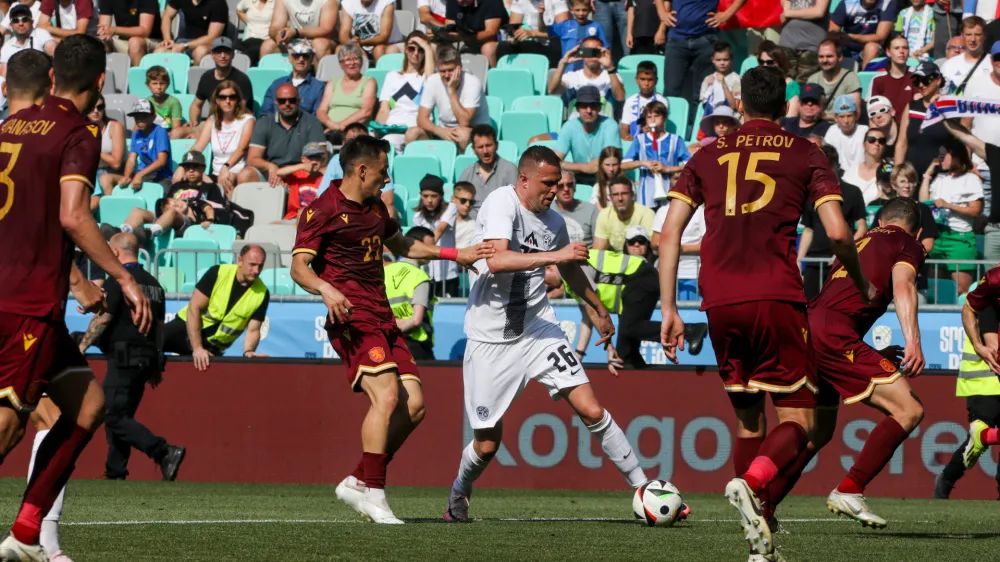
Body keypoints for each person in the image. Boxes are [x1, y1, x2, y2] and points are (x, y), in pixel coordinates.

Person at [658, 65, 870, 560]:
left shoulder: (706, 155)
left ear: (742, 105)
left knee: (749, 421)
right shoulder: (807, 152)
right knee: (801, 419)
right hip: (775, 295)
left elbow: (669, 234)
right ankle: (753, 487)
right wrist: (860, 281)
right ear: (785, 106)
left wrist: (671, 306)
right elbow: (838, 233)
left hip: (717, 300)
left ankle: (760, 533)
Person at [0, 38, 152, 561]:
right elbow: (72, 216)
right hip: (24, 302)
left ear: (50, 79)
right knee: (10, 423)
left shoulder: (11, 126)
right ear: (96, 81)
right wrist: (123, 277)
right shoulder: (76, 133)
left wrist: (71, 278)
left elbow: (31, 221)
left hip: (22, 289)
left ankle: (26, 532)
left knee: (88, 406)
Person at [442, 145, 651, 522]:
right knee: (487, 444)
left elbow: (570, 272)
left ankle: (644, 488)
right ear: (524, 180)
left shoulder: (554, 222)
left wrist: (599, 310)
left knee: (591, 409)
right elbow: (498, 260)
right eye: (548, 183)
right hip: (491, 339)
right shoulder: (499, 204)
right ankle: (460, 487)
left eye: (558, 184)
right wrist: (557, 257)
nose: (554, 190)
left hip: (538, 328)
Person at [290, 135, 492, 524]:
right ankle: (375, 493)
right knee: (385, 398)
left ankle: (359, 480)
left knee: (414, 407)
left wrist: (455, 254)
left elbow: (401, 244)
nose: (387, 178)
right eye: (383, 172)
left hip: (382, 316)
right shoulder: (323, 209)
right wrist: (326, 288)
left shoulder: (376, 209)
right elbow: (299, 267)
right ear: (362, 169)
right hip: (351, 317)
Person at [778, 198, 926, 529]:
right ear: (917, 231)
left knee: (818, 431)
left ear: (879, 220)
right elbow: (903, 286)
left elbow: (843, 302)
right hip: (832, 335)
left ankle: (764, 500)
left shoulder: (859, 243)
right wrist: (914, 340)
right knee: (909, 410)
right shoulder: (906, 243)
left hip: (809, 328)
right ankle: (851, 488)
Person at [75, 233, 185, 484]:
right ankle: (115, 472)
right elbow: (159, 328)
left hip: (124, 357)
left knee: (112, 416)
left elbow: (103, 318)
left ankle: (164, 452)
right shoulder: (155, 284)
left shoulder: (119, 281)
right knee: (122, 416)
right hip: (145, 359)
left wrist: (81, 347)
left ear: (114, 252)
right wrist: (157, 364)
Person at [162, 245, 271, 369]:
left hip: (213, 346)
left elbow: (253, 329)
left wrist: (248, 351)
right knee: (149, 343)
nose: (256, 271)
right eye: (252, 264)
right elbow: (194, 308)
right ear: (240, 261)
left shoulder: (262, 293)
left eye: (260, 266)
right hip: (185, 328)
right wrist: (197, 347)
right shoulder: (218, 272)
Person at [935, 305, 1000, 500]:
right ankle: (947, 479)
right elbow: (993, 345)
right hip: (985, 380)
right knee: (978, 440)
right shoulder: (989, 294)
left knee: (981, 438)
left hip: (988, 378)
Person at [798, 143, 868, 300]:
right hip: (813, 262)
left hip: (841, 263)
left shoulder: (852, 192)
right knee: (809, 308)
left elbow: (861, 228)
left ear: (836, 165)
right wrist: (799, 260)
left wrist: (843, 252)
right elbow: (808, 229)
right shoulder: (809, 193)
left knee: (839, 307)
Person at [657, 0, 745, 120]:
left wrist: (727, 14)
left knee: (702, 95)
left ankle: (697, 133)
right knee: (671, 92)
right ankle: (669, 132)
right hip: (676, 40)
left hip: (705, 40)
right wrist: (662, 12)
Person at [920, 141, 984, 296]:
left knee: (961, 289)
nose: (940, 159)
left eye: (944, 156)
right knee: (935, 288)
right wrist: (928, 174)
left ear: (955, 156)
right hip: (937, 236)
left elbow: (976, 210)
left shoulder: (971, 179)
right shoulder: (940, 178)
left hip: (959, 237)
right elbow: (923, 202)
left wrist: (949, 205)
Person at [119, 151, 226, 240]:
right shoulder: (177, 186)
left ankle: (148, 234)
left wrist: (208, 219)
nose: (191, 170)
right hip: (169, 217)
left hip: (191, 221)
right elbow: (166, 203)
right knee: (137, 211)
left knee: (172, 212)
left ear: (203, 168)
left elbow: (218, 210)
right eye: (187, 167)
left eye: (195, 167)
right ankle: (121, 232)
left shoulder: (211, 188)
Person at [177, 81, 255, 197]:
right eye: (223, 97)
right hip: (216, 173)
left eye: (232, 97)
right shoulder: (212, 120)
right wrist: (183, 166)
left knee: (226, 180)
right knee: (183, 178)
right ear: (217, 101)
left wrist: (226, 167)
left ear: (238, 100)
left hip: (236, 170)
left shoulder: (247, 120)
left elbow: (241, 148)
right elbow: (198, 147)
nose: (227, 101)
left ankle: (231, 211)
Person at [241, 83, 327, 185]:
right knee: (245, 174)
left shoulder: (312, 122)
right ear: (276, 102)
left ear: (298, 101)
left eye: (292, 100)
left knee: (325, 172)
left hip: (302, 173)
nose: (287, 104)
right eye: (282, 101)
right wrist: (270, 166)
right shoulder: (264, 123)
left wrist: (292, 172)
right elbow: (252, 159)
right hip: (271, 174)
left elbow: (321, 158)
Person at [944, 118, 1000, 262]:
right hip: (995, 231)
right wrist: (942, 114)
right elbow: (965, 136)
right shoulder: (996, 154)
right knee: (992, 283)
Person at [416, 45, 489, 152]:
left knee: (462, 134)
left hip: (475, 130)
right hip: (444, 130)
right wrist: (440, 131)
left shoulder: (473, 83)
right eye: (442, 71)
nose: (446, 75)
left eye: (450, 70)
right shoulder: (433, 81)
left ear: (460, 67)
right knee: (412, 133)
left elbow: (464, 122)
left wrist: (452, 91)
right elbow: (421, 119)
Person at [374, 31, 435, 152]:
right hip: (393, 127)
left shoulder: (426, 78)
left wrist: (427, 47)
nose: (416, 53)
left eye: (420, 50)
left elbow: (430, 77)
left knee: (405, 136)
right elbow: (384, 109)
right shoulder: (392, 76)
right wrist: (378, 128)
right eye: (412, 48)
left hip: (416, 129)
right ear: (406, 50)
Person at [622, 100, 690, 208]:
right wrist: (644, 163)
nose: (653, 119)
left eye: (656, 116)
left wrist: (667, 169)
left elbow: (691, 165)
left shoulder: (676, 140)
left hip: (670, 196)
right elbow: (623, 165)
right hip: (645, 198)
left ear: (664, 117)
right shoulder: (640, 140)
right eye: (649, 117)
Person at [385, 226, 438, 360]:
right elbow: (416, 320)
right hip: (415, 345)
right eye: (430, 246)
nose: (434, 251)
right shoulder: (420, 276)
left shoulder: (384, 272)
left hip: (387, 343)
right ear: (416, 245)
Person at [961, 40, 1000, 218]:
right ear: (991, 60)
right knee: (982, 221)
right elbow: (965, 126)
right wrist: (968, 163)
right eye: (998, 58)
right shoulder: (976, 84)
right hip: (982, 167)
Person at [552, 85, 620, 186]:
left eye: (593, 106)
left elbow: (608, 161)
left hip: (606, 178)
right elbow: (553, 161)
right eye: (584, 106)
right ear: (577, 108)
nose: (588, 110)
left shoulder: (610, 125)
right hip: (577, 179)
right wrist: (585, 167)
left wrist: (565, 165)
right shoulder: (569, 126)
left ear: (599, 108)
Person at [896, 61, 954, 174]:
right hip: (911, 179)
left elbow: (960, 143)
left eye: (925, 80)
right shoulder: (912, 106)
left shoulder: (950, 108)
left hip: (940, 176)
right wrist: (898, 173)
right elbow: (901, 143)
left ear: (938, 80)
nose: (921, 85)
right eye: (917, 81)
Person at [108, 99, 173, 191]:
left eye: (144, 117)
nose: (139, 121)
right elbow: (131, 159)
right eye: (137, 117)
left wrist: (139, 174)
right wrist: (127, 176)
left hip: (162, 177)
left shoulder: (160, 132)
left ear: (153, 117)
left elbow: (161, 161)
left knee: (159, 195)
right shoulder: (136, 134)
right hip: (143, 176)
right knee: (125, 190)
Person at [190, 38, 254, 131]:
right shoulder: (206, 77)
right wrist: (194, 123)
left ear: (232, 55)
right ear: (212, 55)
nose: (222, 56)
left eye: (226, 52)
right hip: (211, 124)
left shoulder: (242, 79)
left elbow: (239, 111)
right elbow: (196, 105)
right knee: (177, 133)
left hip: (234, 125)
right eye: (218, 52)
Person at [317, 43, 377, 142]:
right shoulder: (333, 82)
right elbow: (321, 110)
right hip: (331, 129)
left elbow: (366, 111)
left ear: (361, 62)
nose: (352, 63)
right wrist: (329, 124)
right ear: (341, 64)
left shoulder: (369, 82)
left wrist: (340, 126)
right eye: (347, 60)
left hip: (356, 129)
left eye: (355, 59)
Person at [412, 175, 460, 297]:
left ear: (441, 196)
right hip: (426, 274)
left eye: (434, 196)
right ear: (420, 195)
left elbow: (439, 230)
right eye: (425, 196)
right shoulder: (418, 217)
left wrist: (424, 248)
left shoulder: (451, 208)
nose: (429, 200)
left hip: (448, 274)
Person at [458, 124, 518, 216]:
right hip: (470, 226)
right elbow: (458, 203)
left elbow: (515, 204)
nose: (485, 151)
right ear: (473, 149)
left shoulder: (510, 170)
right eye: (480, 147)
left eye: (488, 145)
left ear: (496, 145)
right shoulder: (467, 173)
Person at [651, 198, 703, 301]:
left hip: (692, 274)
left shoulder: (700, 212)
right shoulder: (662, 211)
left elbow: (707, 245)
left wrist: (681, 248)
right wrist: (661, 245)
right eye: (675, 180)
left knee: (689, 315)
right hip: (666, 275)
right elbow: (654, 243)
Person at [547, 37, 625, 105]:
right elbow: (552, 91)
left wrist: (610, 67)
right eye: (588, 52)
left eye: (595, 52)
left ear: (602, 53)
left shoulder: (612, 76)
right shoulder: (572, 77)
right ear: (582, 53)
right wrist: (562, 64)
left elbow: (620, 97)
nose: (592, 56)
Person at [260, 40, 327, 117]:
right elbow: (265, 114)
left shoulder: (318, 87)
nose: (301, 59)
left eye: (305, 55)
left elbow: (316, 118)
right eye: (296, 55)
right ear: (290, 58)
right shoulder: (277, 84)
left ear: (311, 59)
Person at [495, 0, 569, 67]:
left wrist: (533, 33)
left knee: (556, 45)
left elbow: (563, 31)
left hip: (555, 43)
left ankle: (553, 76)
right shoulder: (519, 1)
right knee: (504, 47)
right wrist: (514, 37)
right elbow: (513, 29)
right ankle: (507, 76)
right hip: (537, 43)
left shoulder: (558, 1)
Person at [155, 0, 228, 65]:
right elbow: (167, 16)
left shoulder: (218, 3)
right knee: (160, 51)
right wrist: (167, 39)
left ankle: (194, 78)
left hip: (210, 44)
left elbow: (212, 37)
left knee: (200, 51)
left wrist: (185, 46)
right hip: (185, 41)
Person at [593, 176, 655, 251]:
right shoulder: (604, 215)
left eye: (624, 193)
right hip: (615, 260)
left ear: (632, 195)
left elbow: (652, 249)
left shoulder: (647, 214)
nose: (620, 198)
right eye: (615, 194)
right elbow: (598, 251)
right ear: (610, 198)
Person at [828, 0, 895, 69]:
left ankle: (864, 77)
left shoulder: (887, 3)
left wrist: (850, 37)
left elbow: (880, 36)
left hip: (874, 50)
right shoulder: (848, 3)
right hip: (847, 49)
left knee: (872, 47)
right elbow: (832, 32)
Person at [547, 0, 609, 73]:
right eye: (577, 10)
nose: (581, 13)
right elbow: (544, 30)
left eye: (584, 10)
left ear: (589, 10)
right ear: (572, 10)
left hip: (590, 71)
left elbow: (605, 49)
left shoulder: (596, 26)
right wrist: (540, 14)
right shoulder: (565, 26)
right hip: (568, 71)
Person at [777, 0, 829, 85]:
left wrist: (789, 13)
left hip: (811, 45)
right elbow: (785, 2)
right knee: (784, 84)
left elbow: (818, 11)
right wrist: (786, 7)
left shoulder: (789, 13)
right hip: (787, 42)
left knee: (806, 86)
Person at [97, 0, 162, 67]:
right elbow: (103, 28)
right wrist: (104, 36)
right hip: (123, 40)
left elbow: (145, 31)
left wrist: (114, 30)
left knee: (134, 43)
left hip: (150, 40)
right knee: (100, 42)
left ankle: (136, 75)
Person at [808, 40, 862, 120]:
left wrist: (826, 117)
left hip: (842, 127)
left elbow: (856, 114)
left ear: (840, 57)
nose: (825, 60)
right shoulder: (813, 79)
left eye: (829, 56)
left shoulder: (850, 78)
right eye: (821, 57)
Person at [89, 94, 126, 211]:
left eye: (100, 107)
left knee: (104, 179)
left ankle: (109, 214)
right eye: (91, 107)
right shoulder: (81, 127)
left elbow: (116, 163)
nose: (96, 111)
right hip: (91, 172)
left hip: (114, 172)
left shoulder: (114, 126)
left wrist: (94, 148)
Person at [269, 0, 337, 63]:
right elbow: (276, 25)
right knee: (268, 46)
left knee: (319, 44)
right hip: (294, 39)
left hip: (320, 39)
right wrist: (279, 34)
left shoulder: (328, 1)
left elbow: (326, 29)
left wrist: (297, 32)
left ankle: (320, 75)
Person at [278, 141, 328, 223]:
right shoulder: (296, 175)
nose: (314, 162)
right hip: (293, 217)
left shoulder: (325, 179)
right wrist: (302, 166)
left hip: (315, 219)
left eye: (317, 158)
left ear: (322, 161)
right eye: (311, 158)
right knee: (272, 226)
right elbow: (279, 172)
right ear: (303, 159)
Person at [338, 0, 404, 62]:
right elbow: (343, 35)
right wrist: (354, 44)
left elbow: (384, 37)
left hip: (388, 44)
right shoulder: (348, 2)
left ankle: (380, 74)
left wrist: (362, 42)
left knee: (379, 49)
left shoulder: (386, 2)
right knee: (340, 49)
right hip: (360, 44)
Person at [0, 4, 55, 76]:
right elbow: (3, 76)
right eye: (16, 20)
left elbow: (56, 54)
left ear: (32, 22)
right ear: (11, 25)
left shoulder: (41, 34)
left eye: (25, 19)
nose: (20, 23)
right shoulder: (7, 47)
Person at [870, 34, 914, 123]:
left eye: (905, 48)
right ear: (888, 52)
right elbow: (873, 111)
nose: (901, 51)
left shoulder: (916, 77)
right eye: (897, 48)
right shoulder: (878, 80)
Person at [941, 16, 990, 95]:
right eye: (968, 34)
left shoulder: (994, 63)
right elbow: (942, 94)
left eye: (977, 35)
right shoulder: (949, 65)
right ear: (962, 35)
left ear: (984, 36)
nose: (973, 39)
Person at [620, 61, 667, 141]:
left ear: (656, 81)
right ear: (636, 80)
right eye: (642, 79)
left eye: (650, 80)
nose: (646, 83)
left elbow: (662, 126)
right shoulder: (630, 101)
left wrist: (650, 130)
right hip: (634, 141)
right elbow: (624, 127)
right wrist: (626, 137)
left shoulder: (661, 100)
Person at [842, 125, 887, 205]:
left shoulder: (887, 173)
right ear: (864, 145)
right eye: (871, 140)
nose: (876, 143)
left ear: (884, 147)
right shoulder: (851, 172)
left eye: (881, 140)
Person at [553, 170, 599, 246]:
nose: (566, 189)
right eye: (561, 186)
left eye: (570, 185)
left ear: (575, 187)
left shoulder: (591, 210)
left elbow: (598, 245)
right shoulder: (545, 210)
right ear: (554, 189)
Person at [756, 40, 800, 118]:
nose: (764, 65)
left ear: (780, 63)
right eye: (761, 62)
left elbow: (790, 120)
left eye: (770, 62)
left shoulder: (791, 87)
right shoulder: (758, 84)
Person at [699, 41, 740, 114]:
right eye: (718, 60)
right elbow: (705, 105)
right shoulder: (708, 79)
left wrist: (724, 85)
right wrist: (709, 86)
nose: (722, 63)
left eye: (725, 60)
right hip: (712, 120)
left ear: (731, 59)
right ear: (713, 60)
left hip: (731, 120)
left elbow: (734, 106)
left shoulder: (737, 80)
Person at [144, 66, 184, 140]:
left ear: (168, 84)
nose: (159, 87)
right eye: (154, 83)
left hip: (168, 135)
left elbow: (176, 128)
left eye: (162, 83)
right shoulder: (146, 102)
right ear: (148, 85)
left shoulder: (174, 102)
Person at [235, 0, 277, 65]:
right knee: (231, 47)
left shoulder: (276, 2)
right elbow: (238, 10)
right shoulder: (249, 1)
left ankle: (244, 70)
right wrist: (248, 21)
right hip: (248, 39)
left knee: (251, 52)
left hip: (264, 39)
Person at [452, 182, 477, 249]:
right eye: (463, 200)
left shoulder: (472, 226)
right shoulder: (441, 219)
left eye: (471, 202)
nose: (468, 205)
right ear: (453, 199)